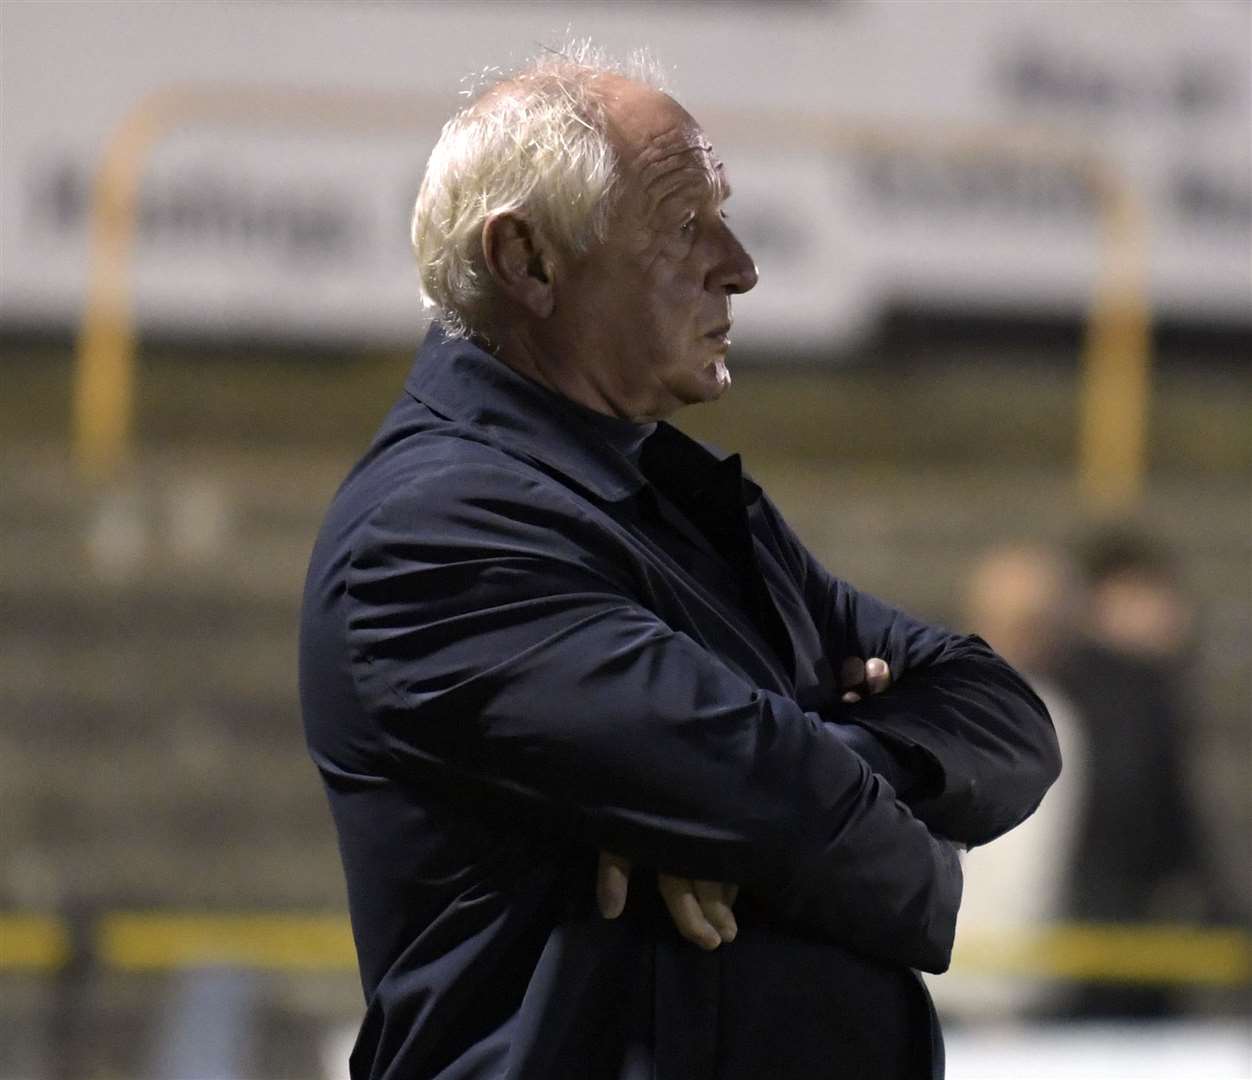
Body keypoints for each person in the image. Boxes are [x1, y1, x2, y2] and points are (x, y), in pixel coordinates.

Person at [299, 45, 1060, 1080]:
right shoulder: (431, 533)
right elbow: (802, 815)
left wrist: (774, 791)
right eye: (680, 226)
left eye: (725, 214)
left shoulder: (673, 494)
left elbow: (1001, 716)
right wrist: (795, 805)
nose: (738, 263)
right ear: (527, 261)